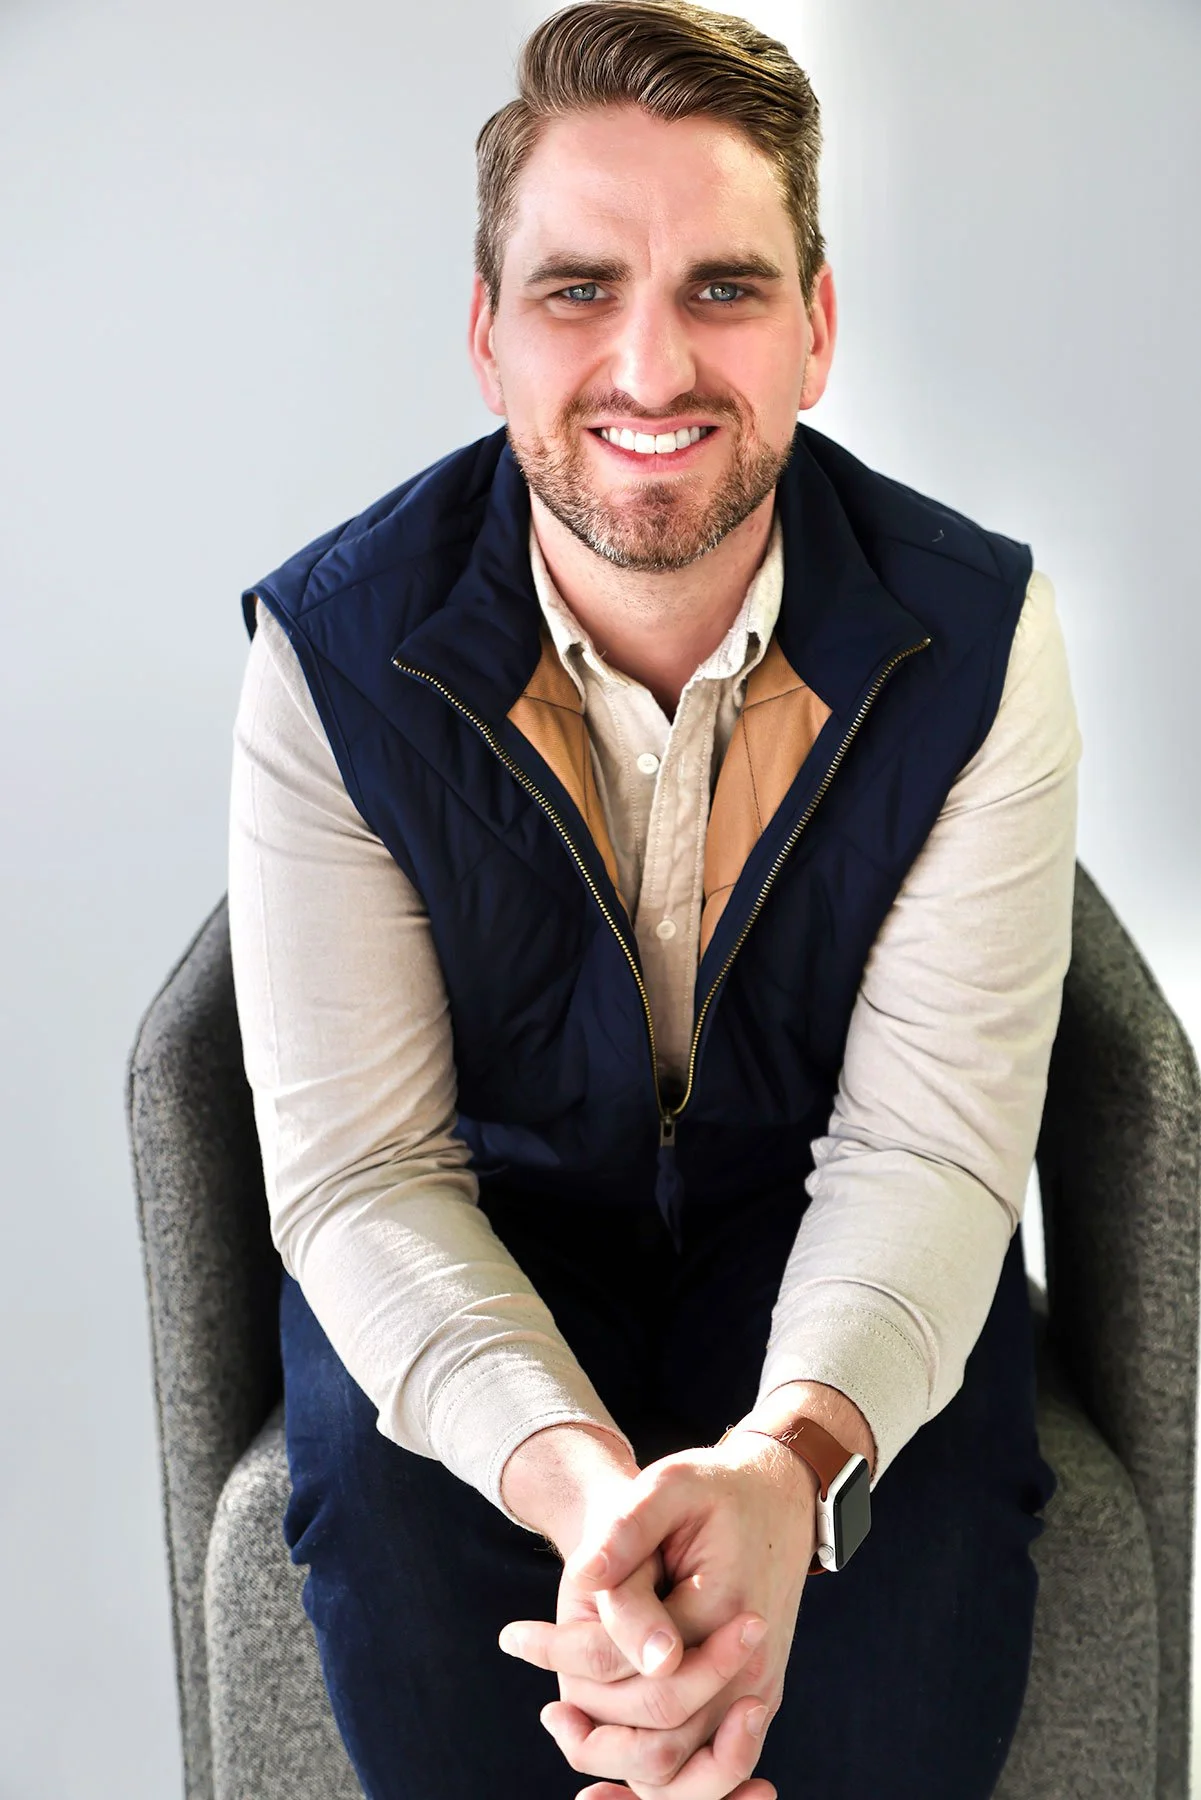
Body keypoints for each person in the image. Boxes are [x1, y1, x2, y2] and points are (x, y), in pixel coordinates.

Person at [226, 2, 1080, 1796]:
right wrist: (587, 1497)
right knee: (394, 1536)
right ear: (486, 337)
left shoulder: (983, 641)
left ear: (817, 327)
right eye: (575, 289)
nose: (649, 368)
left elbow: (930, 1153)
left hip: (827, 1233)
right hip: (489, 1230)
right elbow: (365, 1175)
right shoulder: (329, 658)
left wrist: (784, 1468)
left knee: (909, 1628)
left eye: (722, 289)